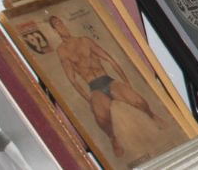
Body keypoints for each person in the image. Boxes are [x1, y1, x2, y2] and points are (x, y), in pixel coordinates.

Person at [50, 14, 164, 157]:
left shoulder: (84, 40)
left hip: (107, 80)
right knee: (101, 118)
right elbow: (72, 79)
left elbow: (109, 58)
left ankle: (152, 115)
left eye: (61, 22)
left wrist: (126, 81)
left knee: (137, 101)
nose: (61, 26)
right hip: (93, 87)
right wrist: (88, 98)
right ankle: (113, 139)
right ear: (55, 31)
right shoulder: (62, 51)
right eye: (57, 25)